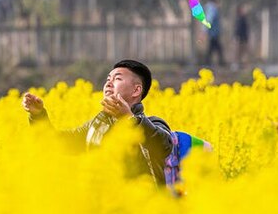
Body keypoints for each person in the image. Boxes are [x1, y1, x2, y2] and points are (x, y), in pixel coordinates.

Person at [22, 59, 174, 185]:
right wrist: (38, 116)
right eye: (108, 79)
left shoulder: (154, 124)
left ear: (136, 91)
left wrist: (129, 119)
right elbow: (58, 144)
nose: (109, 83)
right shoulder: (98, 126)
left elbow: (163, 145)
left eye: (117, 79)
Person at [205, 0, 225, 66]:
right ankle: (219, 62)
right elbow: (209, 20)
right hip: (214, 32)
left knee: (214, 47)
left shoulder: (211, 8)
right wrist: (205, 30)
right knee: (215, 47)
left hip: (213, 32)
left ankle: (209, 62)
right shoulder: (212, 9)